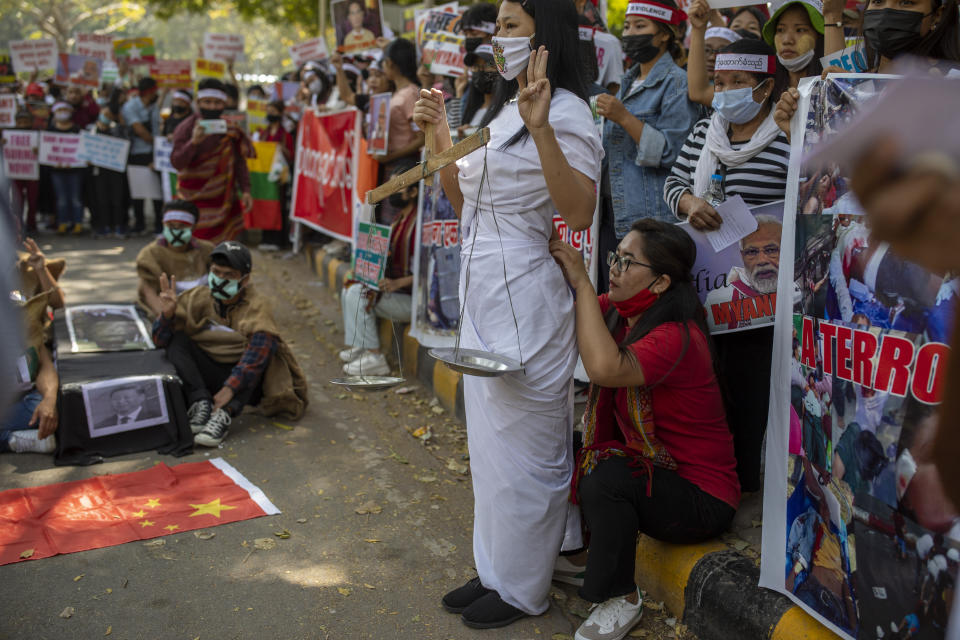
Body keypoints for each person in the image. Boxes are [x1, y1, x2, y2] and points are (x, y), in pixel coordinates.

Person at [413, 0, 602, 627]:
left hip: (528, 290)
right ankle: (496, 568)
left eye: (512, 25)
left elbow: (578, 214)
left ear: (545, 37)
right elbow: (459, 194)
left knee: (531, 449)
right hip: (480, 287)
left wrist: (541, 126)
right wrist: (437, 130)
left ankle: (524, 588)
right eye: (497, 26)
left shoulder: (569, 113)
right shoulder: (491, 109)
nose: (499, 36)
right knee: (491, 447)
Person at [548, 219, 739, 640]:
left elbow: (603, 367)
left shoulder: (676, 335)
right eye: (616, 256)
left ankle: (621, 596)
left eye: (627, 262)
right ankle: (580, 556)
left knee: (607, 476)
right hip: (656, 470)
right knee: (560, 444)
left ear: (659, 283)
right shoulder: (624, 312)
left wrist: (581, 282)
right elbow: (565, 318)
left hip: (701, 498)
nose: (614, 267)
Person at [664, 39, 790, 492]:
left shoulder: (787, 134)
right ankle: (708, 472)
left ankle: (743, 481)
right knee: (708, 378)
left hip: (766, 290)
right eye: (720, 81)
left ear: (765, 87)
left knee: (751, 382)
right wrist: (689, 200)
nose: (726, 90)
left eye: (739, 82)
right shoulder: (705, 133)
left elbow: (810, 189)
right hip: (709, 283)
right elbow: (674, 182)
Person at [152, 241, 307, 447]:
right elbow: (159, 341)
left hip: (246, 384)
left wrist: (230, 389)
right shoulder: (197, 298)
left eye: (230, 275)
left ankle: (224, 414)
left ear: (245, 280)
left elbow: (256, 354)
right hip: (211, 372)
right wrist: (167, 314)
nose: (221, 279)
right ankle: (201, 402)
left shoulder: (257, 306)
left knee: (264, 352)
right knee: (177, 339)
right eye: (217, 272)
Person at [600, 0, 699, 230]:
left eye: (640, 26)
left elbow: (673, 153)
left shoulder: (677, 83)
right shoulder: (626, 82)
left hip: (651, 223)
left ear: (664, 35)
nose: (630, 33)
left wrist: (624, 117)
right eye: (627, 27)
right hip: (609, 217)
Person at [339, 163, 419, 376]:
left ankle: (375, 357)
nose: (391, 191)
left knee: (359, 294)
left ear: (414, 191)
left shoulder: (419, 225)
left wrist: (397, 283)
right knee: (351, 285)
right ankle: (362, 345)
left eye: (398, 186)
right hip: (398, 294)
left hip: (414, 301)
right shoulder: (398, 219)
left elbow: (430, 271)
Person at [170, 78, 255, 243]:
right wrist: (193, 143)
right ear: (198, 102)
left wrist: (245, 190)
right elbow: (177, 163)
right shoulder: (185, 128)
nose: (212, 107)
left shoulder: (231, 130)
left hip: (224, 202)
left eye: (217, 102)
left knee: (223, 252)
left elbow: (239, 162)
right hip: (193, 201)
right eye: (207, 102)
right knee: (195, 249)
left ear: (224, 103)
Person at [136, 200, 214, 317]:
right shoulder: (150, 254)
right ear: (163, 224)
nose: (176, 231)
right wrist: (165, 317)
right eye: (171, 226)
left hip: (205, 308)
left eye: (182, 226)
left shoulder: (207, 250)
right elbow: (148, 290)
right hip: (168, 310)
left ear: (193, 227)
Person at [704, 215, 782, 332]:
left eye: (771, 250)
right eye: (752, 252)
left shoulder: (802, 285)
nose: (762, 261)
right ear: (742, 256)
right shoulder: (717, 301)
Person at [121, 76, 163, 234]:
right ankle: (140, 223)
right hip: (135, 153)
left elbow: (156, 128)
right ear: (149, 91)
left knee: (156, 191)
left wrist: (158, 148)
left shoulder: (154, 107)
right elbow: (139, 129)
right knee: (138, 190)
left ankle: (158, 223)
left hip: (153, 153)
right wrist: (154, 142)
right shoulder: (130, 107)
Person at [687, 0, 743, 108]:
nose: (713, 58)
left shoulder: (741, 93)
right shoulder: (682, 85)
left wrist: (698, 28)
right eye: (707, 50)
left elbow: (699, 93)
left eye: (721, 53)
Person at [87, 107, 130, 238]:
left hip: (116, 171)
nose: (107, 117)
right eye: (104, 114)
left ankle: (118, 226)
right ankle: (103, 226)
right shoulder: (91, 130)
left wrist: (122, 125)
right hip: (99, 171)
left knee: (117, 199)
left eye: (109, 115)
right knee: (102, 199)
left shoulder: (117, 129)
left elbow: (126, 143)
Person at [48, 101, 85, 235]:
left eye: (65, 109)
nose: (62, 112)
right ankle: (63, 223)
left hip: (75, 170)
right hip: (57, 170)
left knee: (76, 198)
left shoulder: (77, 129)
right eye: (60, 109)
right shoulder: (50, 130)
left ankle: (78, 223)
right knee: (61, 199)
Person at [10, 110, 40, 234]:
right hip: (16, 173)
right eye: (20, 122)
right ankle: (18, 226)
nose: (22, 124)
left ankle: (31, 224)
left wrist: (38, 149)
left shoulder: (37, 135)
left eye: (25, 122)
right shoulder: (8, 135)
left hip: (32, 173)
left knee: (33, 200)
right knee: (17, 201)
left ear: (31, 122)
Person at [94, 384, 162, 429]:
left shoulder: (157, 417)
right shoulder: (101, 425)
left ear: (141, 397)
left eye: (127, 397)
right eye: (116, 398)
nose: (121, 401)